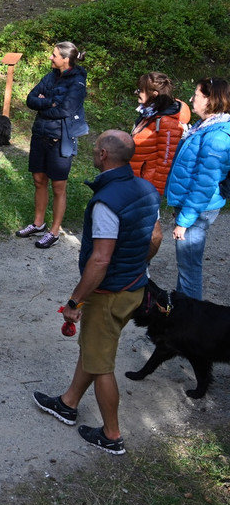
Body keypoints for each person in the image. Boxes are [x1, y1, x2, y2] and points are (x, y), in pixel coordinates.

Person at [32, 131, 161, 455]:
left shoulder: (106, 202)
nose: (92, 150)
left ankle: (112, 435)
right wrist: (135, 266)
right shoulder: (147, 189)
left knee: (101, 363)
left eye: (95, 147)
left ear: (104, 154)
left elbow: (100, 259)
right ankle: (68, 402)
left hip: (108, 294)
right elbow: (156, 237)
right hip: (134, 287)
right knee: (95, 349)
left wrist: (75, 301)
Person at [164, 77, 230, 300]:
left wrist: (185, 221)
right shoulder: (205, 127)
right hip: (193, 206)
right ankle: (183, 311)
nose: (192, 99)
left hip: (197, 209)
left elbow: (204, 183)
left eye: (197, 95)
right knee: (186, 265)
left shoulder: (217, 137)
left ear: (211, 100)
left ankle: (190, 323)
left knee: (189, 268)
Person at [17, 42, 87, 249]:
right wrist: (50, 102)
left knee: (58, 186)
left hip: (60, 139)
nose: (50, 58)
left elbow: (65, 110)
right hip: (40, 135)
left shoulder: (78, 80)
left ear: (65, 59)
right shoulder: (50, 76)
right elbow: (30, 99)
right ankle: (38, 224)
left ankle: (54, 231)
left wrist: (44, 103)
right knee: (39, 180)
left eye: (54, 55)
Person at [129, 72, 190, 196]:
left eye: (140, 90)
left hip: (146, 186)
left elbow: (165, 161)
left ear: (154, 94)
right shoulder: (150, 113)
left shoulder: (167, 121)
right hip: (137, 179)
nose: (137, 92)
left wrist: (154, 193)